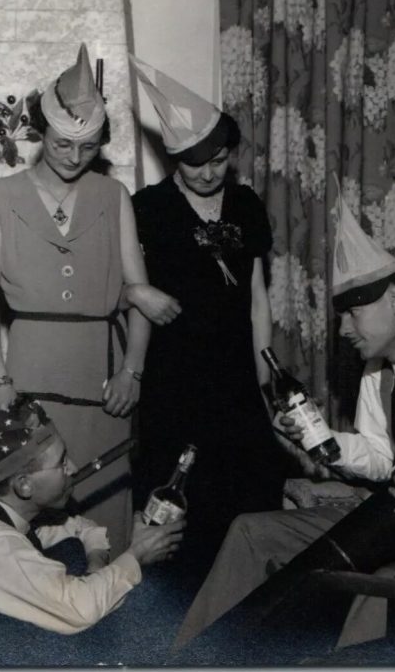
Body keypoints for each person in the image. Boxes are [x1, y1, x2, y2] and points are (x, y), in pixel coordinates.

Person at [173, 196, 395, 650]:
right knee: (250, 531)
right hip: (389, 521)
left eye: (353, 313)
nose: (344, 328)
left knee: (380, 585)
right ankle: (187, 659)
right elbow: (382, 459)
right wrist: (321, 441)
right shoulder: (376, 375)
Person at [0, 44, 172, 554]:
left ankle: (110, 621)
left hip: (102, 384)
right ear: (43, 132)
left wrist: (133, 370)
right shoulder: (0, 196)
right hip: (29, 377)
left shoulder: (113, 196)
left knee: (107, 513)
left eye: (86, 148)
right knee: (31, 514)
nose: (74, 157)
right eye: (63, 144)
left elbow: (140, 296)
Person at [125, 57, 288, 570]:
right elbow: (112, 282)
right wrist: (136, 292)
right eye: (197, 164)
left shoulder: (245, 204)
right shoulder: (146, 209)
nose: (210, 173)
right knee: (176, 503)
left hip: (237, 379)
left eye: (220, 160)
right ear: (174, 158)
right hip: (173, 381)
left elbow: (258, 298)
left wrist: (267, 381)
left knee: (250, 496)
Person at [0, 399, 184, 640]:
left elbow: (83, 528)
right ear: (24, 485)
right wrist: (136, 555)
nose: (74, 468)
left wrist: (95, 563)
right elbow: (78, 610)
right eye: (62, 462)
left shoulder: (3, 510)